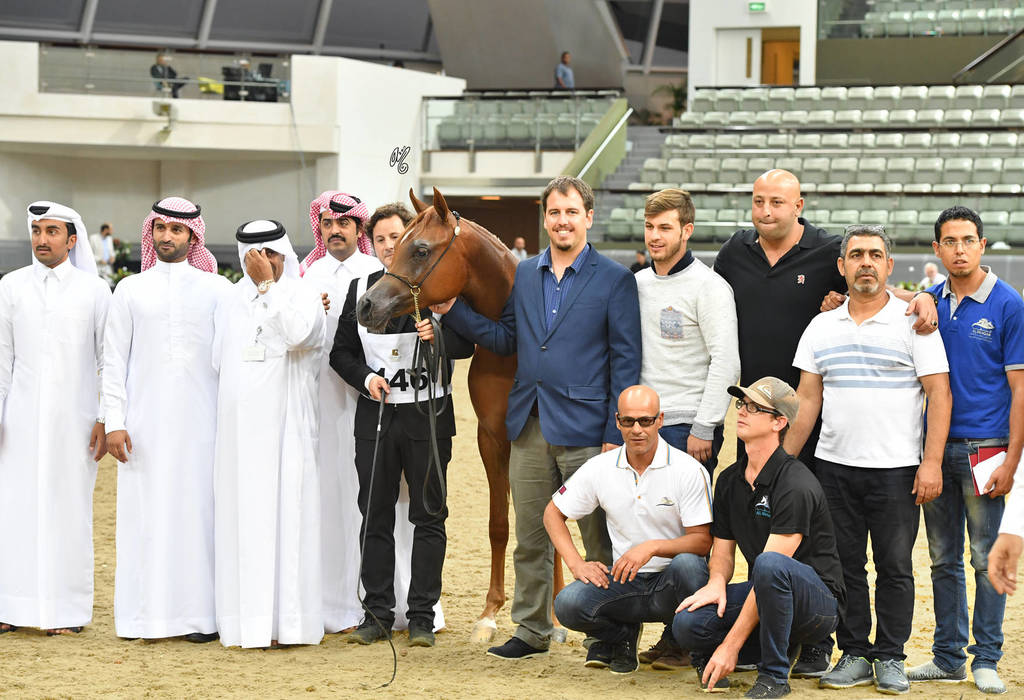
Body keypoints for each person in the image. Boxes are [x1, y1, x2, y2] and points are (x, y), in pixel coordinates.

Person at [713, 169, 936, 678]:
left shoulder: (829, 253)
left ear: (799, 205)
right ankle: (806, 637)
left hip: (846, 445)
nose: (766, 210)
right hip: (768, 423)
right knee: (801, 543)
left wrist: (919, 297)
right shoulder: (734, 255)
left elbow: (872, 288)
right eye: (758, 201)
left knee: (860, 554)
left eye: (778, 202)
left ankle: (854, 649)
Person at [435, 175, 642, 659]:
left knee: (598, 539)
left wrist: (616, 431)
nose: (562, 221)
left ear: (589, 217)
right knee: (531, 534)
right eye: (554, 212)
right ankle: (531, 629)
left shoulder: (614, 278)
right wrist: (452, 310)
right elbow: (508, 340)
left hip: (589, 427)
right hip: (528, 422)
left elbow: (625, 360)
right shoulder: (526, 274)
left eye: (572, 212)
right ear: (544, 219)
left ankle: (606, 634)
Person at [784, 225, 952, 694]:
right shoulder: (821, 325)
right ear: (841, 266)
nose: (866, 263)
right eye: (856, 255)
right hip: (834, 468)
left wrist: (931, 462)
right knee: (846, 567)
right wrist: (781, 463)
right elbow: (807, 399)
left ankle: (891, 656)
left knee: (895, 567)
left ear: (889, 265)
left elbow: (939, 395)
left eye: (875, 255)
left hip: (898, 470)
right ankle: (855, 651)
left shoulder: (915, 322)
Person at [330, 205, 474, 647]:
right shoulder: (361, 288)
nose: (389, 246)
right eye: (380, 240)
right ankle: (376, 613)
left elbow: (466, 344)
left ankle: (422, 617)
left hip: (428, 418)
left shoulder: (439, 288)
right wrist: (366, 378)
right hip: (376, 418)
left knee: (429, 515)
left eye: (396, 238)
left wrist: (440, 336)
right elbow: (341, 353)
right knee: (375, 514)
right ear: (371, 245)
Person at [907, 207, 1024, 695]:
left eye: (968, 240)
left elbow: (1021, 390)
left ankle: (987, 658)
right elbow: (895, 298)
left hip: (987, 450)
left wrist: (1013, 461)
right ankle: (948, 657)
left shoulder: (1009, 304)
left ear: (981, 245)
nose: (959, 249)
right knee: (942, 559)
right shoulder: (930, 298)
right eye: (950, 241)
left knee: (985, 558)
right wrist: (916, 295)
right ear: (936, 249)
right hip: (935, 449)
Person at [102, 197, 227, 643]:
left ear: (193, 237)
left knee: (200, 516)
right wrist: (113, 421)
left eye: (177, 231)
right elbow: (113, 361)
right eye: (161, 230)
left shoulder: (218, 290)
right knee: (145, 518)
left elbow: (229, 362)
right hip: (143, 427)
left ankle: (199, 618)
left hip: (204, 425)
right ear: (151, 234)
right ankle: (144, 619)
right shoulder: (130, 290)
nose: (167, 237)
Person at [672, 377, 846, 699]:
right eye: (742, 404)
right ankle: (756, 650)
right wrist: (715, 584)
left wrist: (729, 645)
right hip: (767, 593)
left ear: (779, 422)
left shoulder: (795, 483)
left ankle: (775, 676)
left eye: (755, 407)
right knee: (688, 624)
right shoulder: (728, 480)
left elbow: (774, 568)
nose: (742, 412)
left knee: (769, 564)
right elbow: (722, 553)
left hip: (817, 606)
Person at [632, 188, 738, 668]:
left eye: (666, 228)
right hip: (643, 423)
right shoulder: (635, 284)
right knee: (643, 527)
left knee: (687, 537)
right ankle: (639, 630)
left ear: (687, 230)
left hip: (686, 429)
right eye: (650, 227)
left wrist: (705, 426)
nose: (656, 236)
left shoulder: (709, 287)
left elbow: (726, 361)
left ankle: (683, 639)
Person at [212, 219, 326, 648]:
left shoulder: (302, 293)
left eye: (272, 255)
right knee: (244, 520)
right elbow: (218, 361)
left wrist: (267, 288)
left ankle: (289, 626)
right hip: (240, 436)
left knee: (287, 520)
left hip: (287, 431)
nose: (264, 264)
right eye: (255, 258)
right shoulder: (228, 300)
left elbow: (299, 335)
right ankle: (248, 625)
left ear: (284, 255)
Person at [546, 385, 712, 675]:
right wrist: (576, 564)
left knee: (690, 566)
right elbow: (552, 513)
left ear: (660, 420)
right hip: (625, 580)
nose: (637, 429)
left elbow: (702, 541)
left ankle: (679, 640)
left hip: (671, 581)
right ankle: (621, 636)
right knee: (567, 604)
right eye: (628, 421)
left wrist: (651, 547)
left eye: (645, 421)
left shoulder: (688, 469)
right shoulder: (600, 467)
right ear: (617, 421)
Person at [0, 201, 110, 636]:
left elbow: (109, 360)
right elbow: (2, 358)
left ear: (71, 238)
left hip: (75, 422)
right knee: (13, 509)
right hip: (19, 420)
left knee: (68, 509)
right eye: (36, 231)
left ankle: (65, 612)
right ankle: (10, 605)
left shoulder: (94, 291)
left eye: (51, 231)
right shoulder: (11, 286)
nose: (42, 239)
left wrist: (105, 416)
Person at [301, 191, 383, 635]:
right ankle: (329, 601)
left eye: (344, 224)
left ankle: (370, 600)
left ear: (358, 230)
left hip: (367, 397)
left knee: (365, 494)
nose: (335, 230)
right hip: (319, 399)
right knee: (327, 492)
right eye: (328, 224)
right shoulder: (309, 272)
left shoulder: (375, 273)